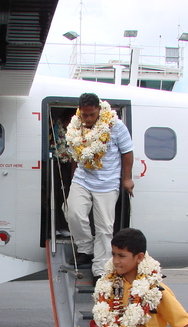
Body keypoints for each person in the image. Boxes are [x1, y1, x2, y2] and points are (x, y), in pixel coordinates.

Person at [65, 93, 134, 283]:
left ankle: (100, 270)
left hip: (107, 183)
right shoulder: (76, 126)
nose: (88, 119)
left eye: (92, 115)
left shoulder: (116, 126)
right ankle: (85, 249)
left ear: (99, 110)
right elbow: (75, 154)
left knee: (104, 228)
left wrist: (127, 179)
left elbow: (127, 152)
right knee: (73, 212)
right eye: (84, 115)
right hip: (82, 179)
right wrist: (73, 176)